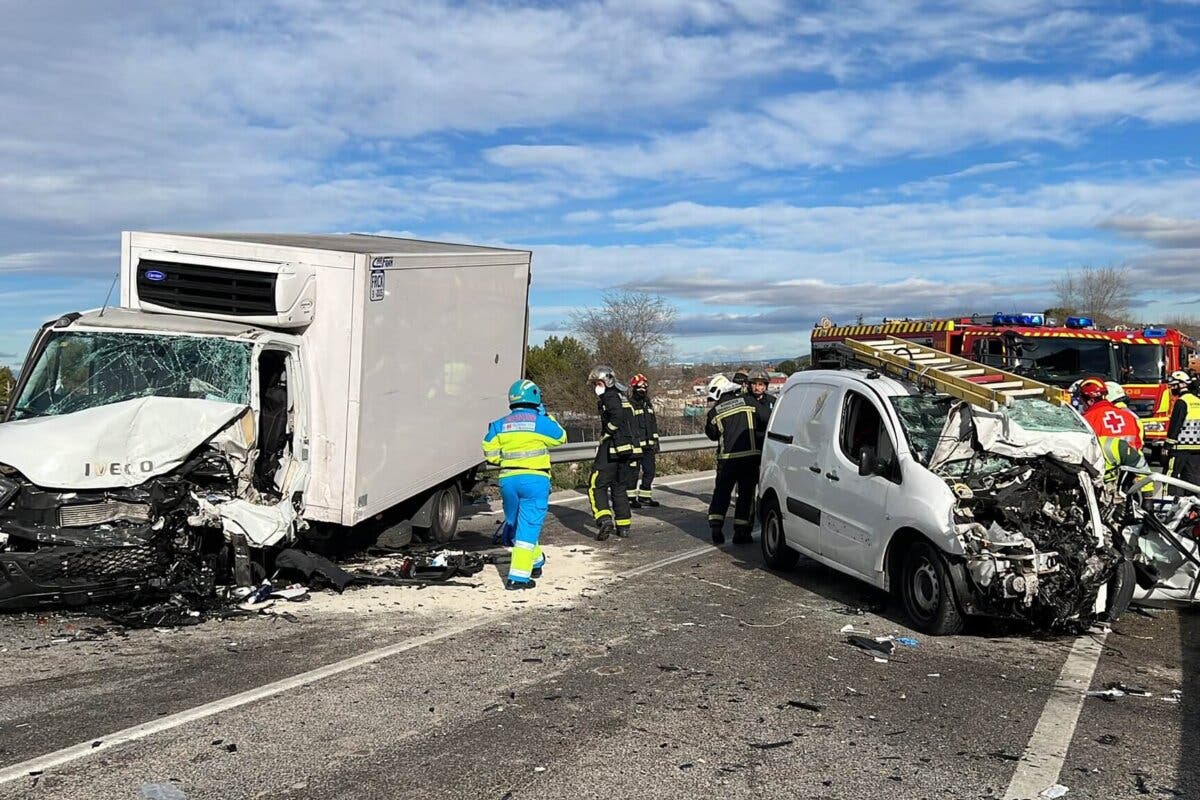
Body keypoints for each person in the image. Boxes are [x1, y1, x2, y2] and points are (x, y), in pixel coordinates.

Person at [481, 379, 567, 590]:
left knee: (517, 523)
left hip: (508, 479)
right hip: (535, 480)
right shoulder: (540, 421)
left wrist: (503, 460)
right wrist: (546, 415)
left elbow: (489, 451)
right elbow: (561, 437)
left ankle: (536, 561)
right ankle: (517, 578)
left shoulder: (500, 424)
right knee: (528, 527)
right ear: (535, 398)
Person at [587, 365, 641, 540]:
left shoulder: (609, 397)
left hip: (611, 449)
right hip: (627, 452)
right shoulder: (623, 397)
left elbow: (616, 416)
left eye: (598, 382)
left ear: (606, 381)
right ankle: (623, 526)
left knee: (596, 484)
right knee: (619, 488)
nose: (596, 386)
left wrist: (607, 434)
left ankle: (604, 519)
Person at [705, 374, 759, 545]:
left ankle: (716, 526)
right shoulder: (749, 403)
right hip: (749, 457)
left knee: (721, 492)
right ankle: (741, 532)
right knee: (745, 495)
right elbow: (764, 419)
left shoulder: (714, 412)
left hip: (726, 460)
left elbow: (712, 435)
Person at [1076, 376, 1142, 450]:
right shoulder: (1129, 416)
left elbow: (1084, 449)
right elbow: (1138, 445)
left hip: (1105, 461)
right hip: (1130, 460)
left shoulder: (1087, 420)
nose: (1081, 404)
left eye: (1081, 401)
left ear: (1090, 401)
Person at [626, 373, 660, 509]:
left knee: (650, 471)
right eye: (640, 386)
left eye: (645, 386)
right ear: (634, 388)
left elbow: (653, 424)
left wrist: (656, 441)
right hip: (635, 446)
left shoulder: (648, 404)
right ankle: (630, 498)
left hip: (649, 446)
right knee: (633, 472)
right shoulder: (630, 404)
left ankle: (645, 497)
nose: (643, 389)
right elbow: (628, 425)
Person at [1165, 370, 1200, 486]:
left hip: (1180, 447)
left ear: (1183, 384)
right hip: (1197, 447)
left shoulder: (1181, 402)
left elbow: (1175, 425)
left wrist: (1168, 445)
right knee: (1193, 477)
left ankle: (1168, 499)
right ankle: (1195, 501)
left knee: (1171, 475)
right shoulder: (1197, 401)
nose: (1172, 388)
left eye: (1175, 385)